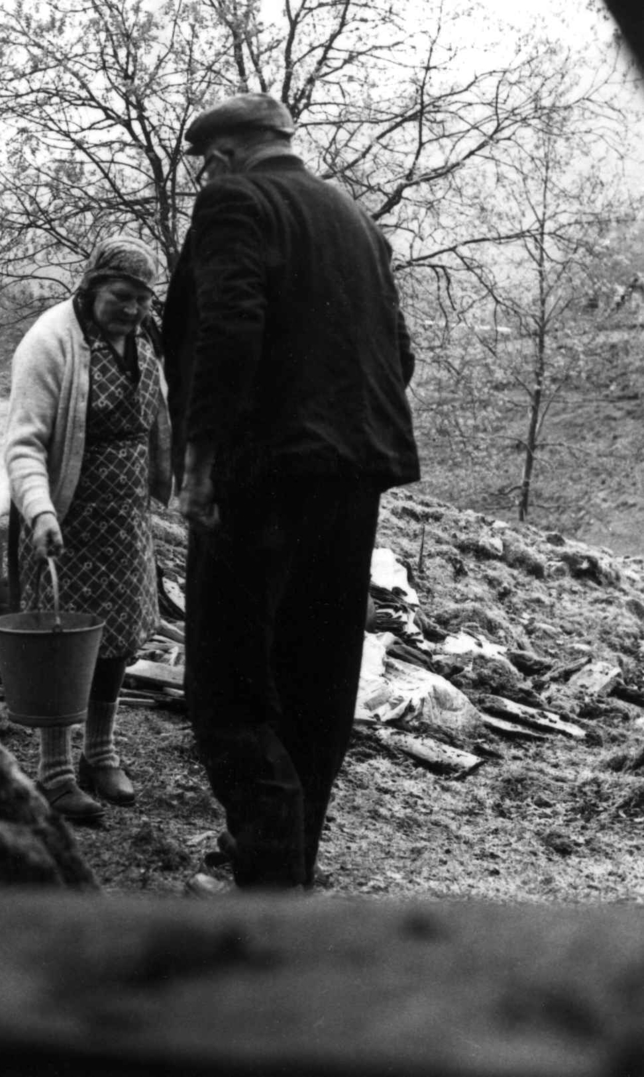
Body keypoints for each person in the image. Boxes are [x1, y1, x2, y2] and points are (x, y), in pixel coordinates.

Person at [161, 93, 420, 892]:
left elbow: (229, 329)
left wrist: (200, 457)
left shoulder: (235, 199)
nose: (208, 172)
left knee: (227, 689)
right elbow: (398, 352)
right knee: (315, 682)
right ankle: (286, 869)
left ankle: (267, 893)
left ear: (227, 155)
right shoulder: (355, 219)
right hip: (354, 476)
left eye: (209, 159)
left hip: (261, 477)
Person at [5, 235, 172, 823]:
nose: (133, 310)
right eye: (121, 297)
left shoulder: (144, 340)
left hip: (125, 518)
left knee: (118, 639)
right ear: (92, 287)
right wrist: (40, 511)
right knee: (60, 641)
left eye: (143, 301)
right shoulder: (50, 343)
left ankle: (99, 752)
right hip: (65, 517)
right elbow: (23, 443)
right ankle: (54, 772)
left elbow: (157, 420)